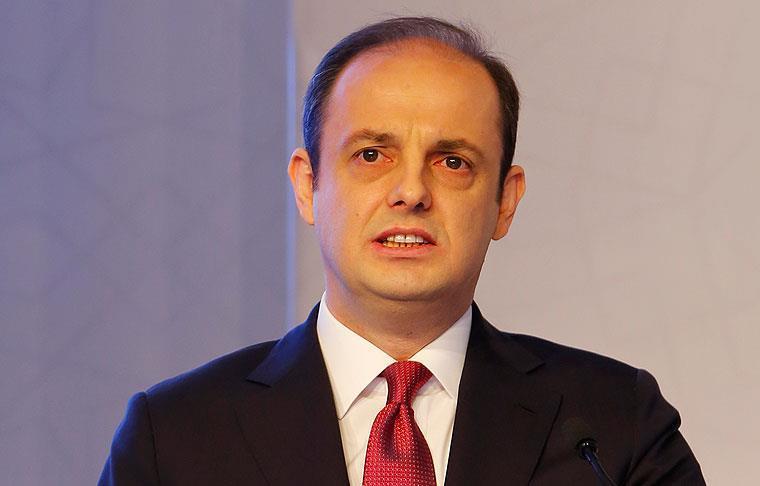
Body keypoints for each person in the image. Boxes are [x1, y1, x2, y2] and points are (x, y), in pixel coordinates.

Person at [100, 17, 705, 485]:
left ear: (505, 201)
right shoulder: (175, 437)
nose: (411, 191)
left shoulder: (613, 427)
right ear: (308, 186)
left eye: (452, 161)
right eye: (371, 155)